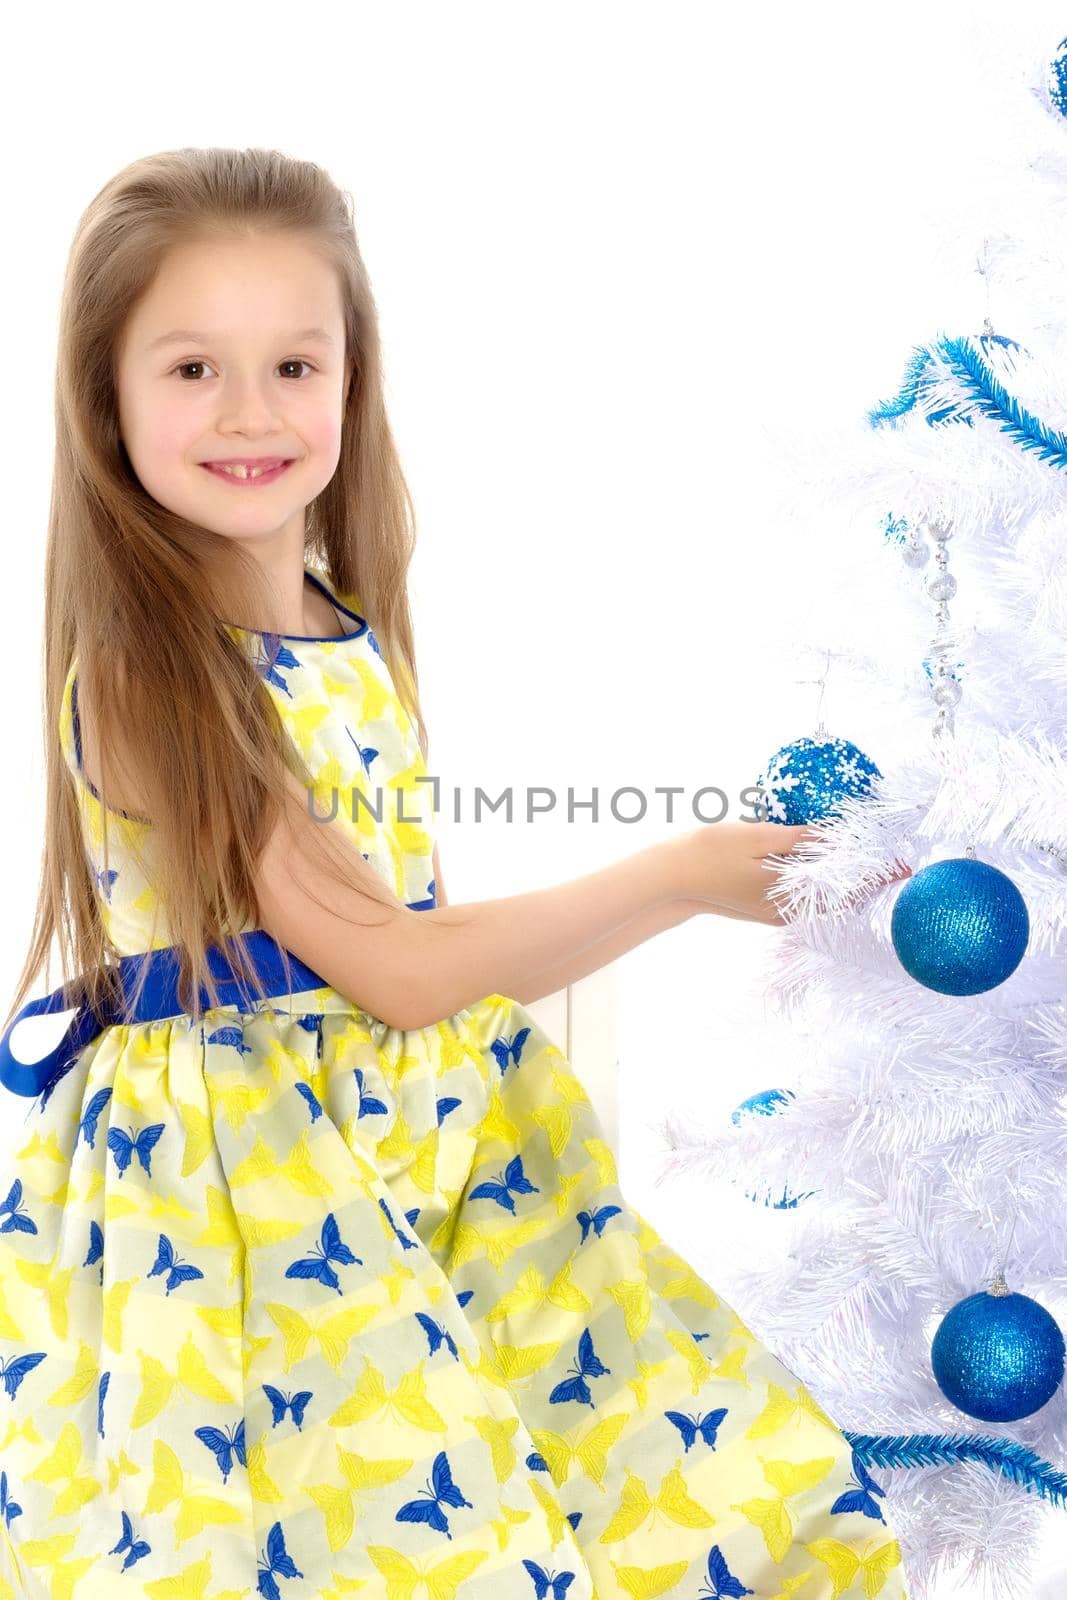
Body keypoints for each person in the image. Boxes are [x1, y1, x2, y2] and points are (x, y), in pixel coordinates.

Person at [0, 147, 910, 1599]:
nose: (252, 412)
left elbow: (428, 947)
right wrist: (678, 874)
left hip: (430, 1144)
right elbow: (404, 965)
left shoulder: (343, 620)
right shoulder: (140, 678)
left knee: (665, 1462)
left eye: (296, 363)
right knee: (384, 1538)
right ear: (104, 403)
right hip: (255, 1205)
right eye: (190, 370)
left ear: (354, 381)